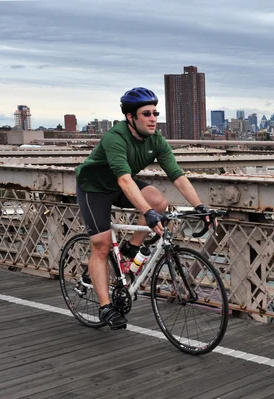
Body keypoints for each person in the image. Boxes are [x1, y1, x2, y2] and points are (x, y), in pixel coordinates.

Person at [75, 87, 209, 330]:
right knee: (101, 245)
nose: (153, 118)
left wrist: (200, 206)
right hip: (94, 188)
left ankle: (131, 248)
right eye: (146, 113)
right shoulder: (115, 138)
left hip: (119, 183)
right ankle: (106, 308)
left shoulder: (156, 140)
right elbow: (125, 180)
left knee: (159, 201)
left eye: (155, 113)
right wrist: (146, 213)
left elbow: (177, 176)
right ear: (130, 117)